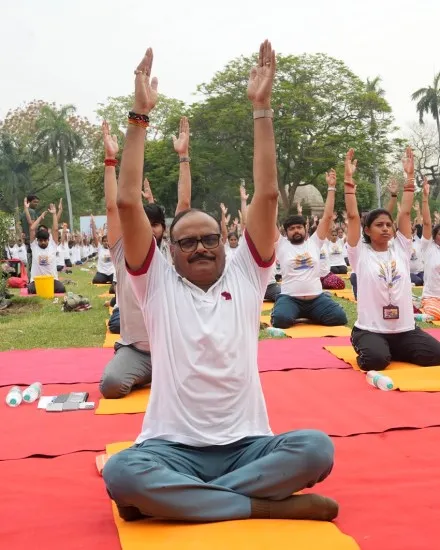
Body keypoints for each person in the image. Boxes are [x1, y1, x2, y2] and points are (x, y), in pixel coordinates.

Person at [103, 43, 337, 523]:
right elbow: (127, 203)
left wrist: (261, 109)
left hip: (247, 446)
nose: (201, 248)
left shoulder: (249, 276)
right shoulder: (157, 286)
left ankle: (180, 499)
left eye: (210, 238)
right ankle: (262, 506)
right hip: (172, 448)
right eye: (187, 243)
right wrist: (139, 116)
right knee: (123, 472)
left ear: (226, 241)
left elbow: (268, 193)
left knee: (316, 449)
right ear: (169, 253)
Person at [100, 113, 192, 398]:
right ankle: (148, 370)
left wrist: (184, 157)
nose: (149, 230)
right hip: (139, 350)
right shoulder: (121, 251)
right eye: (143, 223)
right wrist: (110, 161)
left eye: (154, 224)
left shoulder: (172, 251)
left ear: (163, 228)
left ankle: (164, 372)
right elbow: (115, 207)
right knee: (112, 386)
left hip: (175, 347)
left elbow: (184, 203)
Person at [344, 149, 440, 371]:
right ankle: (373, 345)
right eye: (379, 225)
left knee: (435, 355)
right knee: (376, 362)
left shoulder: (401, 249)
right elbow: (352, 216)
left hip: (404, 329)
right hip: (371, 328)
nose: (386, 228)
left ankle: (389, 348)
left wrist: (409, 178)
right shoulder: (360, 252)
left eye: (388, 224)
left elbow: (405, 213)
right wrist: (349, 182)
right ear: (367, 230)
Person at [271, 170, 347, 328]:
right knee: (281, 321)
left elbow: (327, 217)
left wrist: (331, 188)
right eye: (292, 229)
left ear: (305, 229)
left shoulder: (314, 242)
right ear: (286, 232)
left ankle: (308, 314)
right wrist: (274, 198)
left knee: (339, 318)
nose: (296, 231)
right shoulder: (281, 244)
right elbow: (270, 221)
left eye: (299, 227)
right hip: (290, 298)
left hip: (316, 298)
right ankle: (290, 310)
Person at [28, 204, 65, 294]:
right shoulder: (34, 246)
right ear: (37, 240)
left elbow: (55, 229)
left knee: (61, 289)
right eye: (41, 241)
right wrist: (40, 217)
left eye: (45, 240)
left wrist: (54, 214)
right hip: (37, 280)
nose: (43, 242)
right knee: (32, 290)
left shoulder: (53, 245)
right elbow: (32, 228)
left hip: (51, 279)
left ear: (48, 239)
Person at [420, 178, 440, 318]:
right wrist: (425, 198)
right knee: (435, 314)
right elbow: (427, 223)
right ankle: (416, 314)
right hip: (431, 296)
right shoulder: (429, 246)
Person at [91, 218, 115, 285]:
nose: (106, 242)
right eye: (104, 241)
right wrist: (93, 224)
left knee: (116, 281)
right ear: (102, 242)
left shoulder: (113, 249)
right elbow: (95, 237)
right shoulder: (100, 248)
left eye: (107, 241)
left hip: (111, 272)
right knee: (96, 280)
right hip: (102, 273)